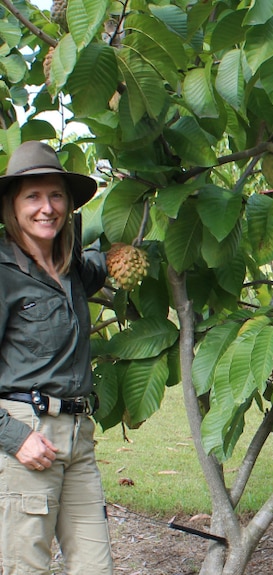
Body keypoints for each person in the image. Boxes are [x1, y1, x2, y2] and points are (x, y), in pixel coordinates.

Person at [0, 141, 112, 574]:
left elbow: (104, 262)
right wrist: (15, 439)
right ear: (12, 205)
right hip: (26, 436)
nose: (47, 208)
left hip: (78, 437)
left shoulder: (70, 269)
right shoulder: (4, 273)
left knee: (95, 567)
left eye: (56, 195)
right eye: (33, 196)